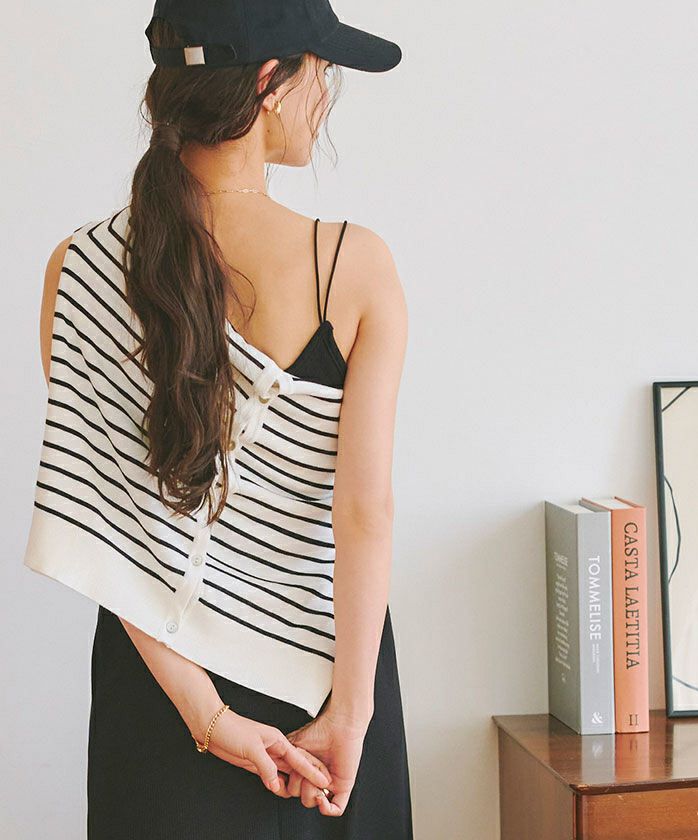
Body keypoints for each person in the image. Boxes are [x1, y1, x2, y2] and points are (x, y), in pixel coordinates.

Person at [24, 0, 412, 836]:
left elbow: (105, 529)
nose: (327, 92)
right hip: (325, 676)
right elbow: (364, 514)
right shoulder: (352, 267)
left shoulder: (75, 269)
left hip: (154, 698)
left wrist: (207, 717)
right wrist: (352, 713)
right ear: (270, 81)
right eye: (322, 69)